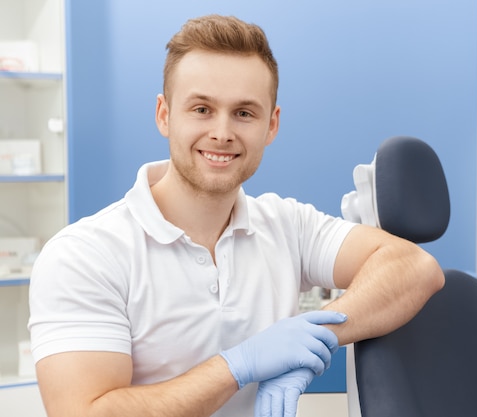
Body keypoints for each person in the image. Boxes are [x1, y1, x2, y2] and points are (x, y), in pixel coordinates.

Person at [28, 14, 444, 417]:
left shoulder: (286, 225)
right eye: (202, 109)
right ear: (164, 115)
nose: (222, 132)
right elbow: (83, 412)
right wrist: (236, 366)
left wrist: (314, 339)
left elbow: (414, 268)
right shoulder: (84, 255)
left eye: (244, 113)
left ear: (271, 125)